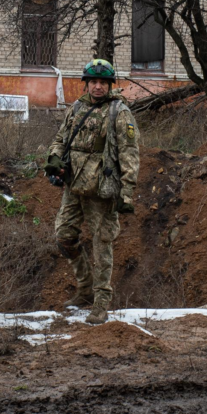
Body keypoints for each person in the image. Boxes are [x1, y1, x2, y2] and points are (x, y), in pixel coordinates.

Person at [44, 59, 140, 324]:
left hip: (102, 189)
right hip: (73, 185)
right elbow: (60, 139)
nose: (97, 87)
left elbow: (129, 154)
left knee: (102, 246)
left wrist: (127, 192)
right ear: (86, 83)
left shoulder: (119, 112)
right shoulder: (76, 108)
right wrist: (54, 158)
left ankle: (101, 302)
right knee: (64, 237)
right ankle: (85, 287)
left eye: (103, 83)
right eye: (93, 82)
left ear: (110, 85)